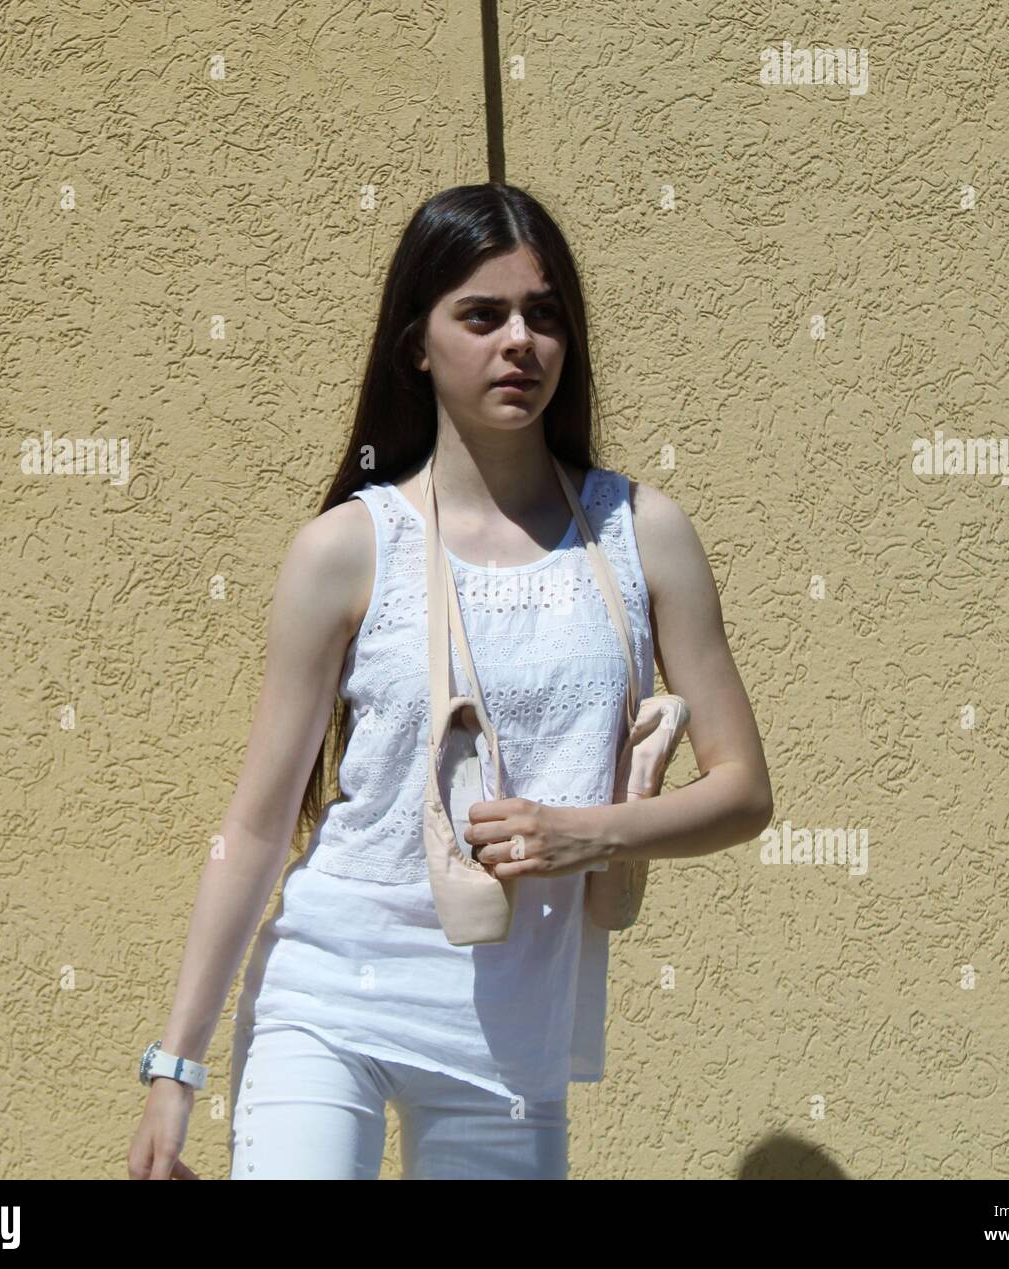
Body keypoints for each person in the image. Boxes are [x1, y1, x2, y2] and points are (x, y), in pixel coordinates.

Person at [125, 182, 773, 1181]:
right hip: (330, 993)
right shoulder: (347, 550)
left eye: (543, 314)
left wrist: (585, 832)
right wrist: (177, 1065)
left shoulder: (642, 535)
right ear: (417, 342)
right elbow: (257, 826)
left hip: (511, 1036)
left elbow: (742, 791)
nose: (520, 340)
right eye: (482, 314)